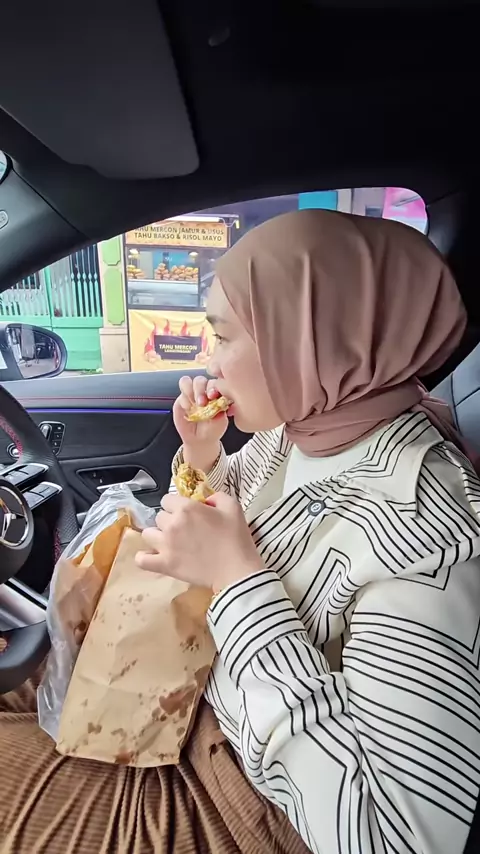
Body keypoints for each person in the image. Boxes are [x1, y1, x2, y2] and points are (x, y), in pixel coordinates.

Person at [1, 210, 480, 854]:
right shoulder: (303, 428)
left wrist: (239, 584)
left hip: (241, 806)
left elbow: (394, 834)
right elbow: (216, 529)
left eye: (223, 336)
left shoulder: (426, 530)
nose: (210, 362)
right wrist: (202, 458)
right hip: (189, 685)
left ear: (309, 339)